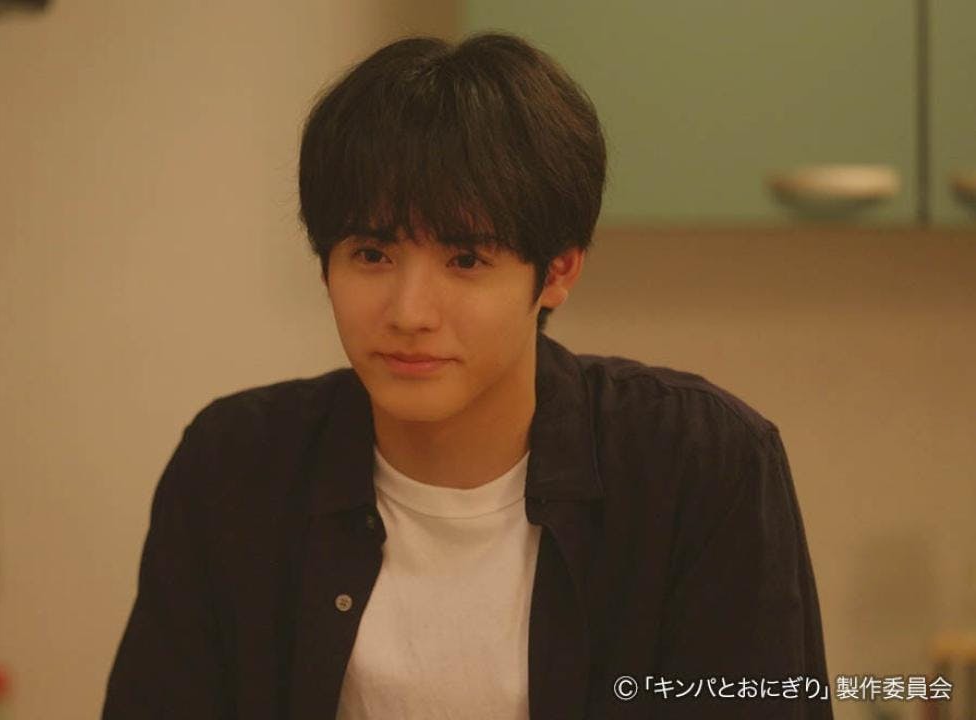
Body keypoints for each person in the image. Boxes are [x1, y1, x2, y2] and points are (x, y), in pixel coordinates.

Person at [103, 33, 832, 720]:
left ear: (557, 271)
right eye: (372, 255)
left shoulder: (702, 464)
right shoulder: (234, 466)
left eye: (465, 260)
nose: (409, 313)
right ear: (325, 263)